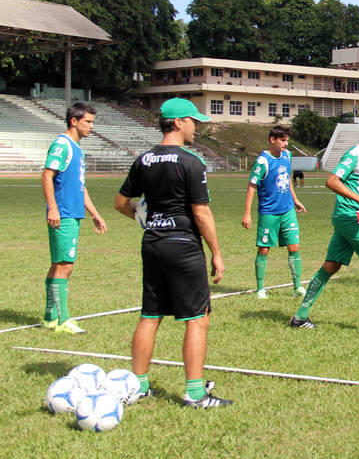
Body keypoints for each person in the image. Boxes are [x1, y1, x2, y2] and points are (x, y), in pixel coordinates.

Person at [113, 98, 232, 408]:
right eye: (193, 121)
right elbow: (201, 212)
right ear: (179, 122)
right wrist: (217, 252)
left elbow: (121, 203)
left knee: (150, 315)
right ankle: (195, 393)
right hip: (183, 246)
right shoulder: (192, 161)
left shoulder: (143, 160)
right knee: (197, 318)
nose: (196, 127)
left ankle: (139, 386)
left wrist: (145, 218)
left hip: (152, 243)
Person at [290, 115, 359, 332]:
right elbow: (331, 181)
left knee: (331, 266)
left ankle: (300, 317)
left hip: (351, 217)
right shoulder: (354, 154)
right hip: (348, 217)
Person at [41, 102, 107, 334]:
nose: (91, 126)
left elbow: (80, 186)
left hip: (73, 213)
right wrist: (53, 208)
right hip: (64, 214)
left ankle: (50, 317)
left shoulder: (77, 149)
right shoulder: (62, 145)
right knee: (65, 266)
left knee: (58, 264)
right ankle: (63, 320)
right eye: (88, 122)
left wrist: (95, 214)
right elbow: (47, 176)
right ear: (74, 121)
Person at [242, 125, 306, 299]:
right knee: (264, 249)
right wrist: (247, 213)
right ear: (272, 140)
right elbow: (251, 186)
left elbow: (287, 179)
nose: (286, 144)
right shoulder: (262, 161)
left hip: (288, 211)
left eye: (287, 140)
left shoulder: (287, 155)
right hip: (269, 213)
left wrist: (295, 200)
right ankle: (260, 288)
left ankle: (297, 287)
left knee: (294, 247)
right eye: (283, 140)